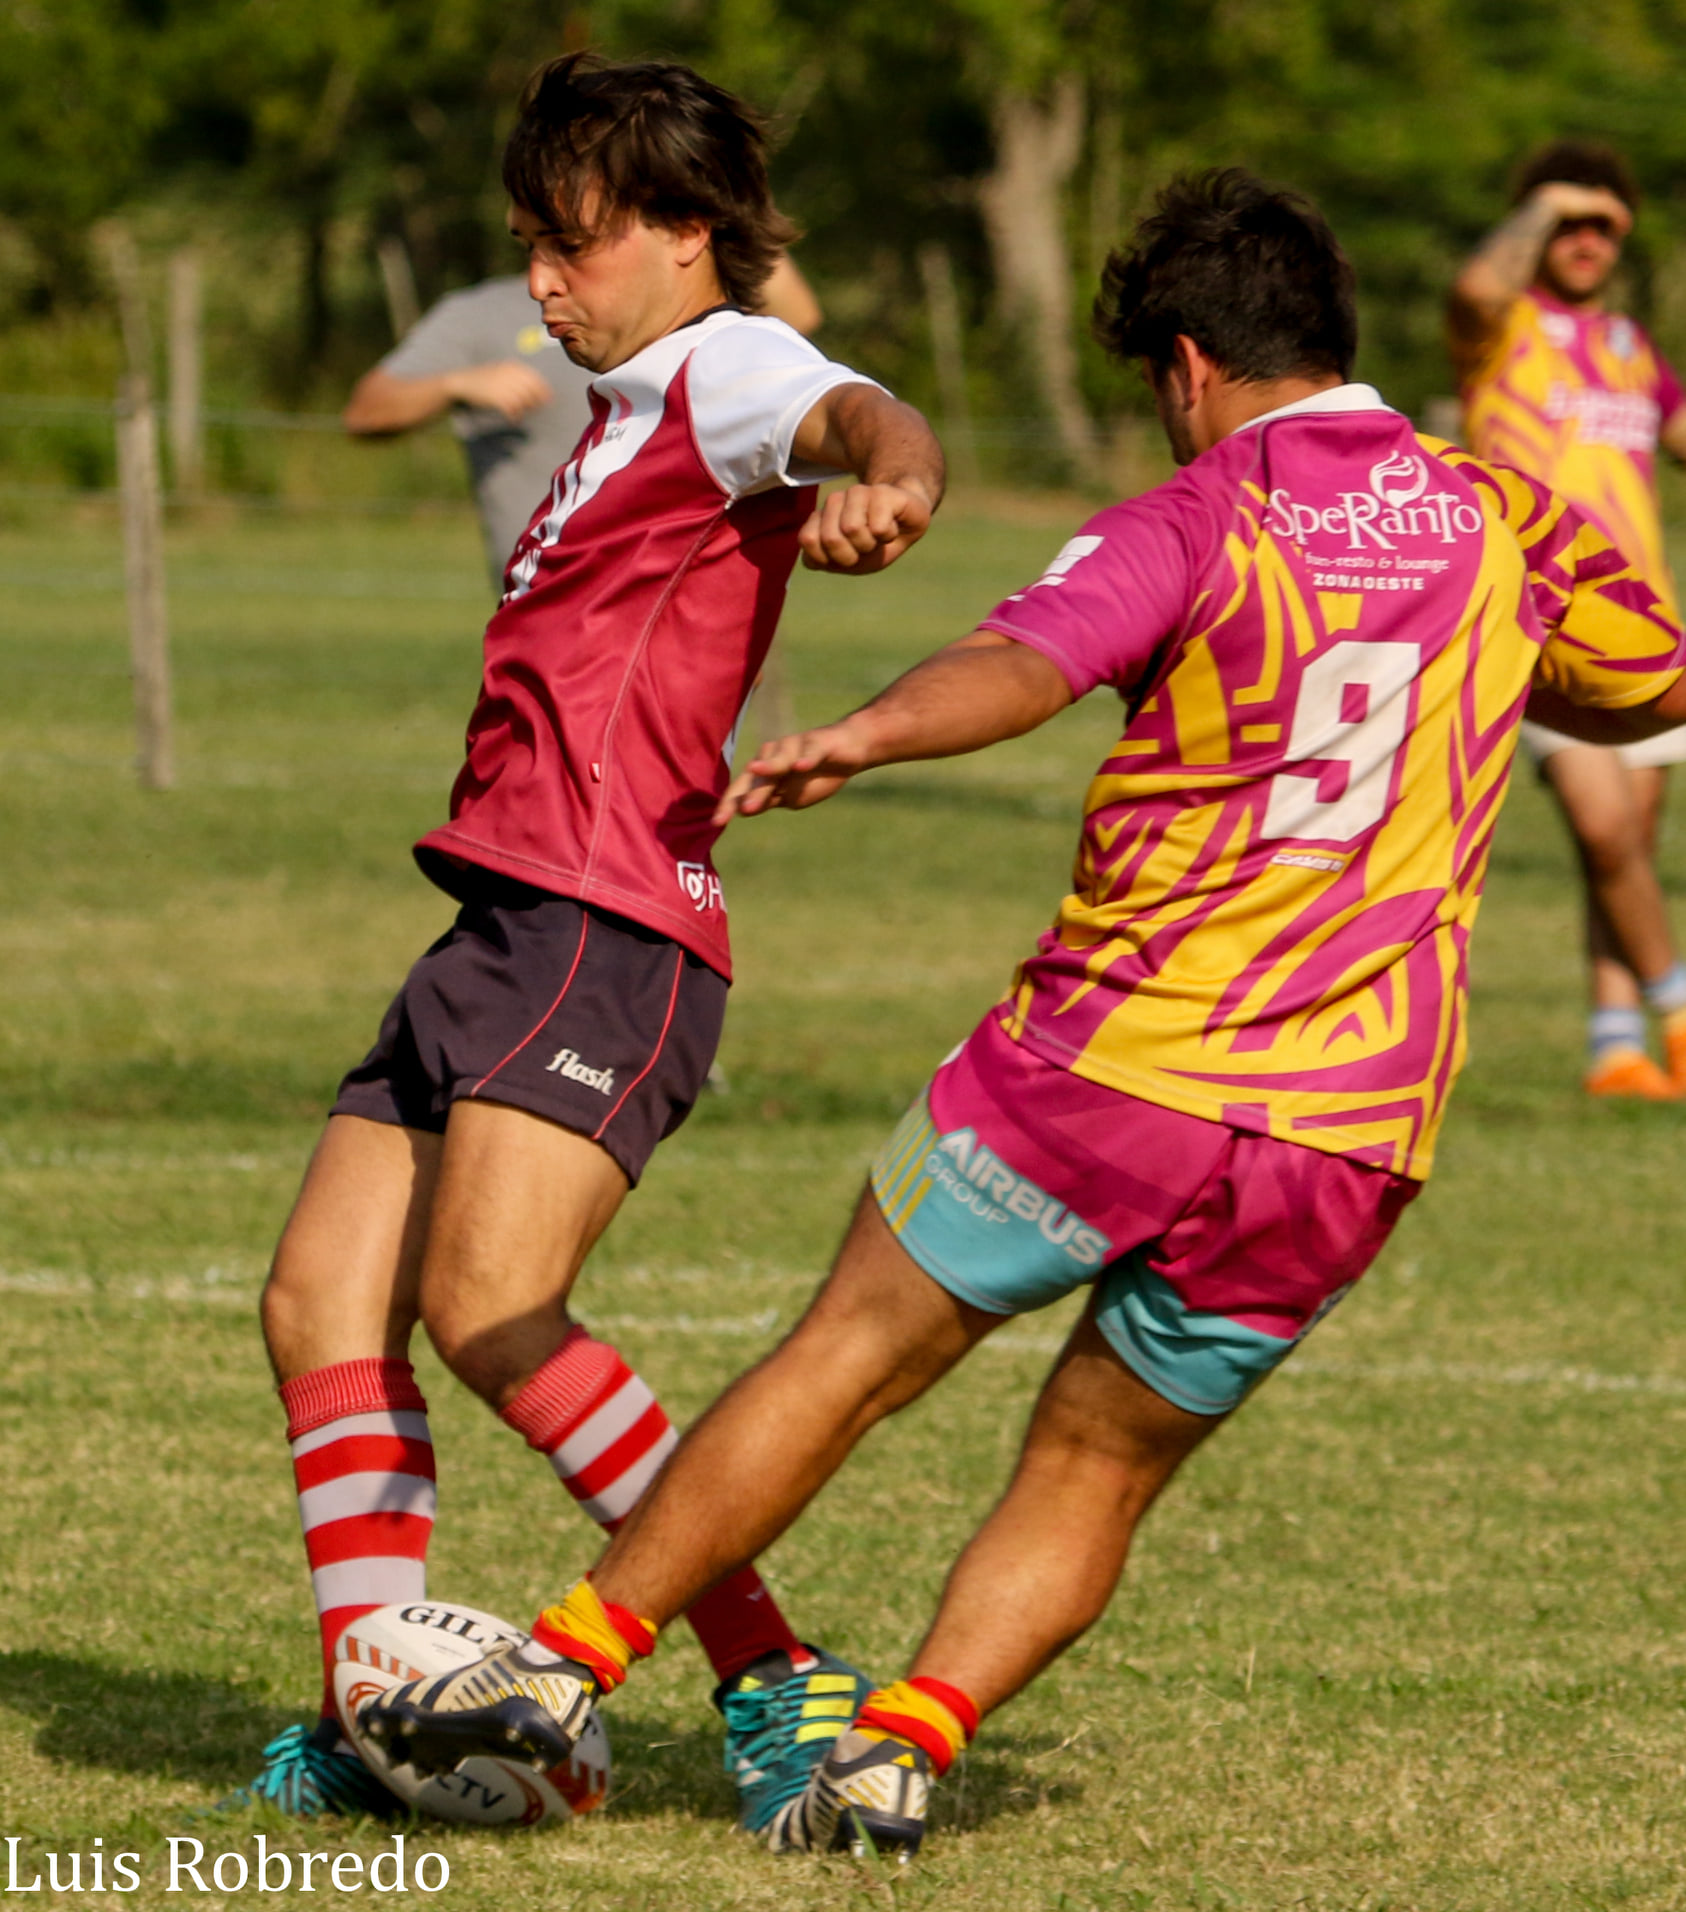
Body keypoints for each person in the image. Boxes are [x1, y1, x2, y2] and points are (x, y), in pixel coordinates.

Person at [358, 168, 1686, 1858]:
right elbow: (1648, 670)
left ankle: (558, 1669)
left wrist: (867, 731)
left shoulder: (1204, 511)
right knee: (1095, 1468)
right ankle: (907, 1747)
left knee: (846, 1358)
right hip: (1348, 1134)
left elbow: (1026, 658)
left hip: (1112, 1065)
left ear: (1185, 363)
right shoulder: (1495, 515)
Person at [239, 51, 944, 1825]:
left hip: (606, 918)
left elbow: (866, 413)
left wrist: (895, 482)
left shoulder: (727, 365)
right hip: (506, 907)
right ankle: (380, 1712)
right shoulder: (628, 399)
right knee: (320, 1299)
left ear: (690, 235)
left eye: (570, 245)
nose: (543, 281)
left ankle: (775, 1675)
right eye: (523, 247)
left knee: (491, 1307)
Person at [1450, 140, 1686, 1098]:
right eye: (1566, 221)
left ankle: (1614, 1044)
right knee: (1604, 830)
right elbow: (1472, 285)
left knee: (1629, 834)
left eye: (1603, 221)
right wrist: (1543, 201)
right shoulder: (1501, 327)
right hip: (1540, 618)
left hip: (1648, 622)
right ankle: (1678, 1010)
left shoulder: (1632, 347)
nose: (1584, 238)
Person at [344, 254, 823, 584]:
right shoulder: (477, 315)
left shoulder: (656, 305)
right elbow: (366, 411)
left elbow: (796, 316)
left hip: (673, 589)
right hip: (544, 596)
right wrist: (454, 383)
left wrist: (729, 201)